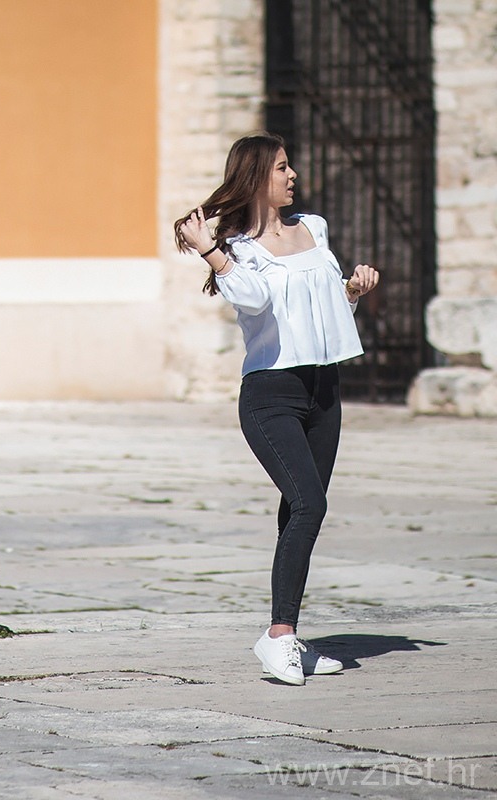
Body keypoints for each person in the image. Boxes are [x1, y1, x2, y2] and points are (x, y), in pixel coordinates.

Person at [174, 132, 380, 686]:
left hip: (323, 388)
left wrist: (351, 292)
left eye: (291, 166)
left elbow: (322, 311)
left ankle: (287, 633)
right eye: (282, 167)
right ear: (256, 177)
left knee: (299, 511)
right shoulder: (237, 250)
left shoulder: (314, 228)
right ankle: (279, 636)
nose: (293, 176)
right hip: (271, 394)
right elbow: (256, 299)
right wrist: (210, 251)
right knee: (310, 503)